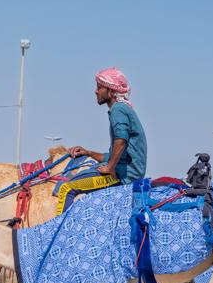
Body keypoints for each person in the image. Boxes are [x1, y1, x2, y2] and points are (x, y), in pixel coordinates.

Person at [56, 67, 147, 215]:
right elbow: (113, 154)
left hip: (125, 176)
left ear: (111, 91)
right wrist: (88, 152)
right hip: (122, 170)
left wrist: (110, 167)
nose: (96, 91)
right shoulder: (121, 109)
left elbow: (121, 140)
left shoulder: (118, 109)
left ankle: (60, 236)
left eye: (100, 87)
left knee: (66, 189)